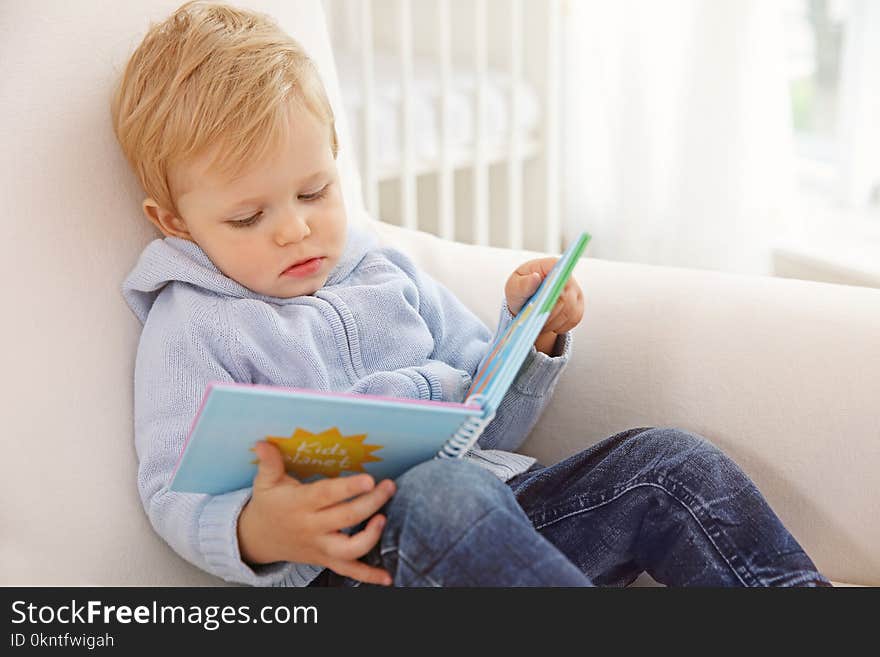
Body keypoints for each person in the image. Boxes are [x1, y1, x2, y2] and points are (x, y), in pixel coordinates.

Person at [114, 1, 829, 587]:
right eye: (248, 217)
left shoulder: (383, 270)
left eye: (314, 190)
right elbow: (172, 491)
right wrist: (259, 530)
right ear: (175, 222)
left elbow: (487, 418)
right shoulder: (192, 325)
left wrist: (532, 335)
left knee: (671, 461)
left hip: (508, 523)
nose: (295, 229)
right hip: (360, 568)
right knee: (443, 494)